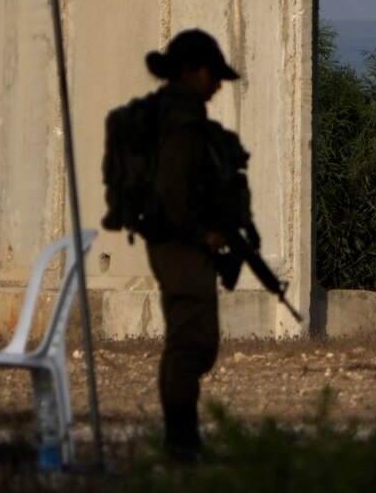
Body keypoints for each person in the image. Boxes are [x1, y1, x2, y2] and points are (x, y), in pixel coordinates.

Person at [141, 29, 243, 462]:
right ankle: (181, 441)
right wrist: (202, 234)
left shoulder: (178, 115)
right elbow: (171, 193)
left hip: (178, 241)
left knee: (195, 340)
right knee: (190, 343)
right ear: (189, 71)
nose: (218, 84)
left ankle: (181, 439)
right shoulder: (180, 121)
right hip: (179, 244)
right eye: (211, 74)